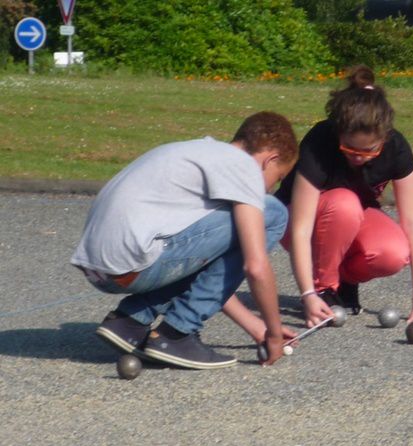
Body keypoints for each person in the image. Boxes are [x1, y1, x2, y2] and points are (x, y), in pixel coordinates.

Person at [71, 111, 298, 369]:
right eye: (276, 179)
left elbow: (203, 266)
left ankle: (129, 322)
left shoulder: (201, 153)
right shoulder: (243, 166)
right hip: (134, 264)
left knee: (242, 227)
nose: (269, 189)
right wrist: (275, 332)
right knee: (274, 212)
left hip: (101, 269)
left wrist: (255, 324)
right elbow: (255, 266)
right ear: (271, 159)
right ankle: (176, 335)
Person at [275, 65, 413, 328]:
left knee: (393, 253)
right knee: (344, 203)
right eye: (350, 149)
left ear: (384, 137)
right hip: (294, 220)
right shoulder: (321, 140)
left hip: (348, 222)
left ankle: (343, 280)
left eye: (369, 151)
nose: (359, 157)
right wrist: (308, 294)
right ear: (339, 134)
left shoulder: (396, 147)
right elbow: (300, 229)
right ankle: (325, 288)